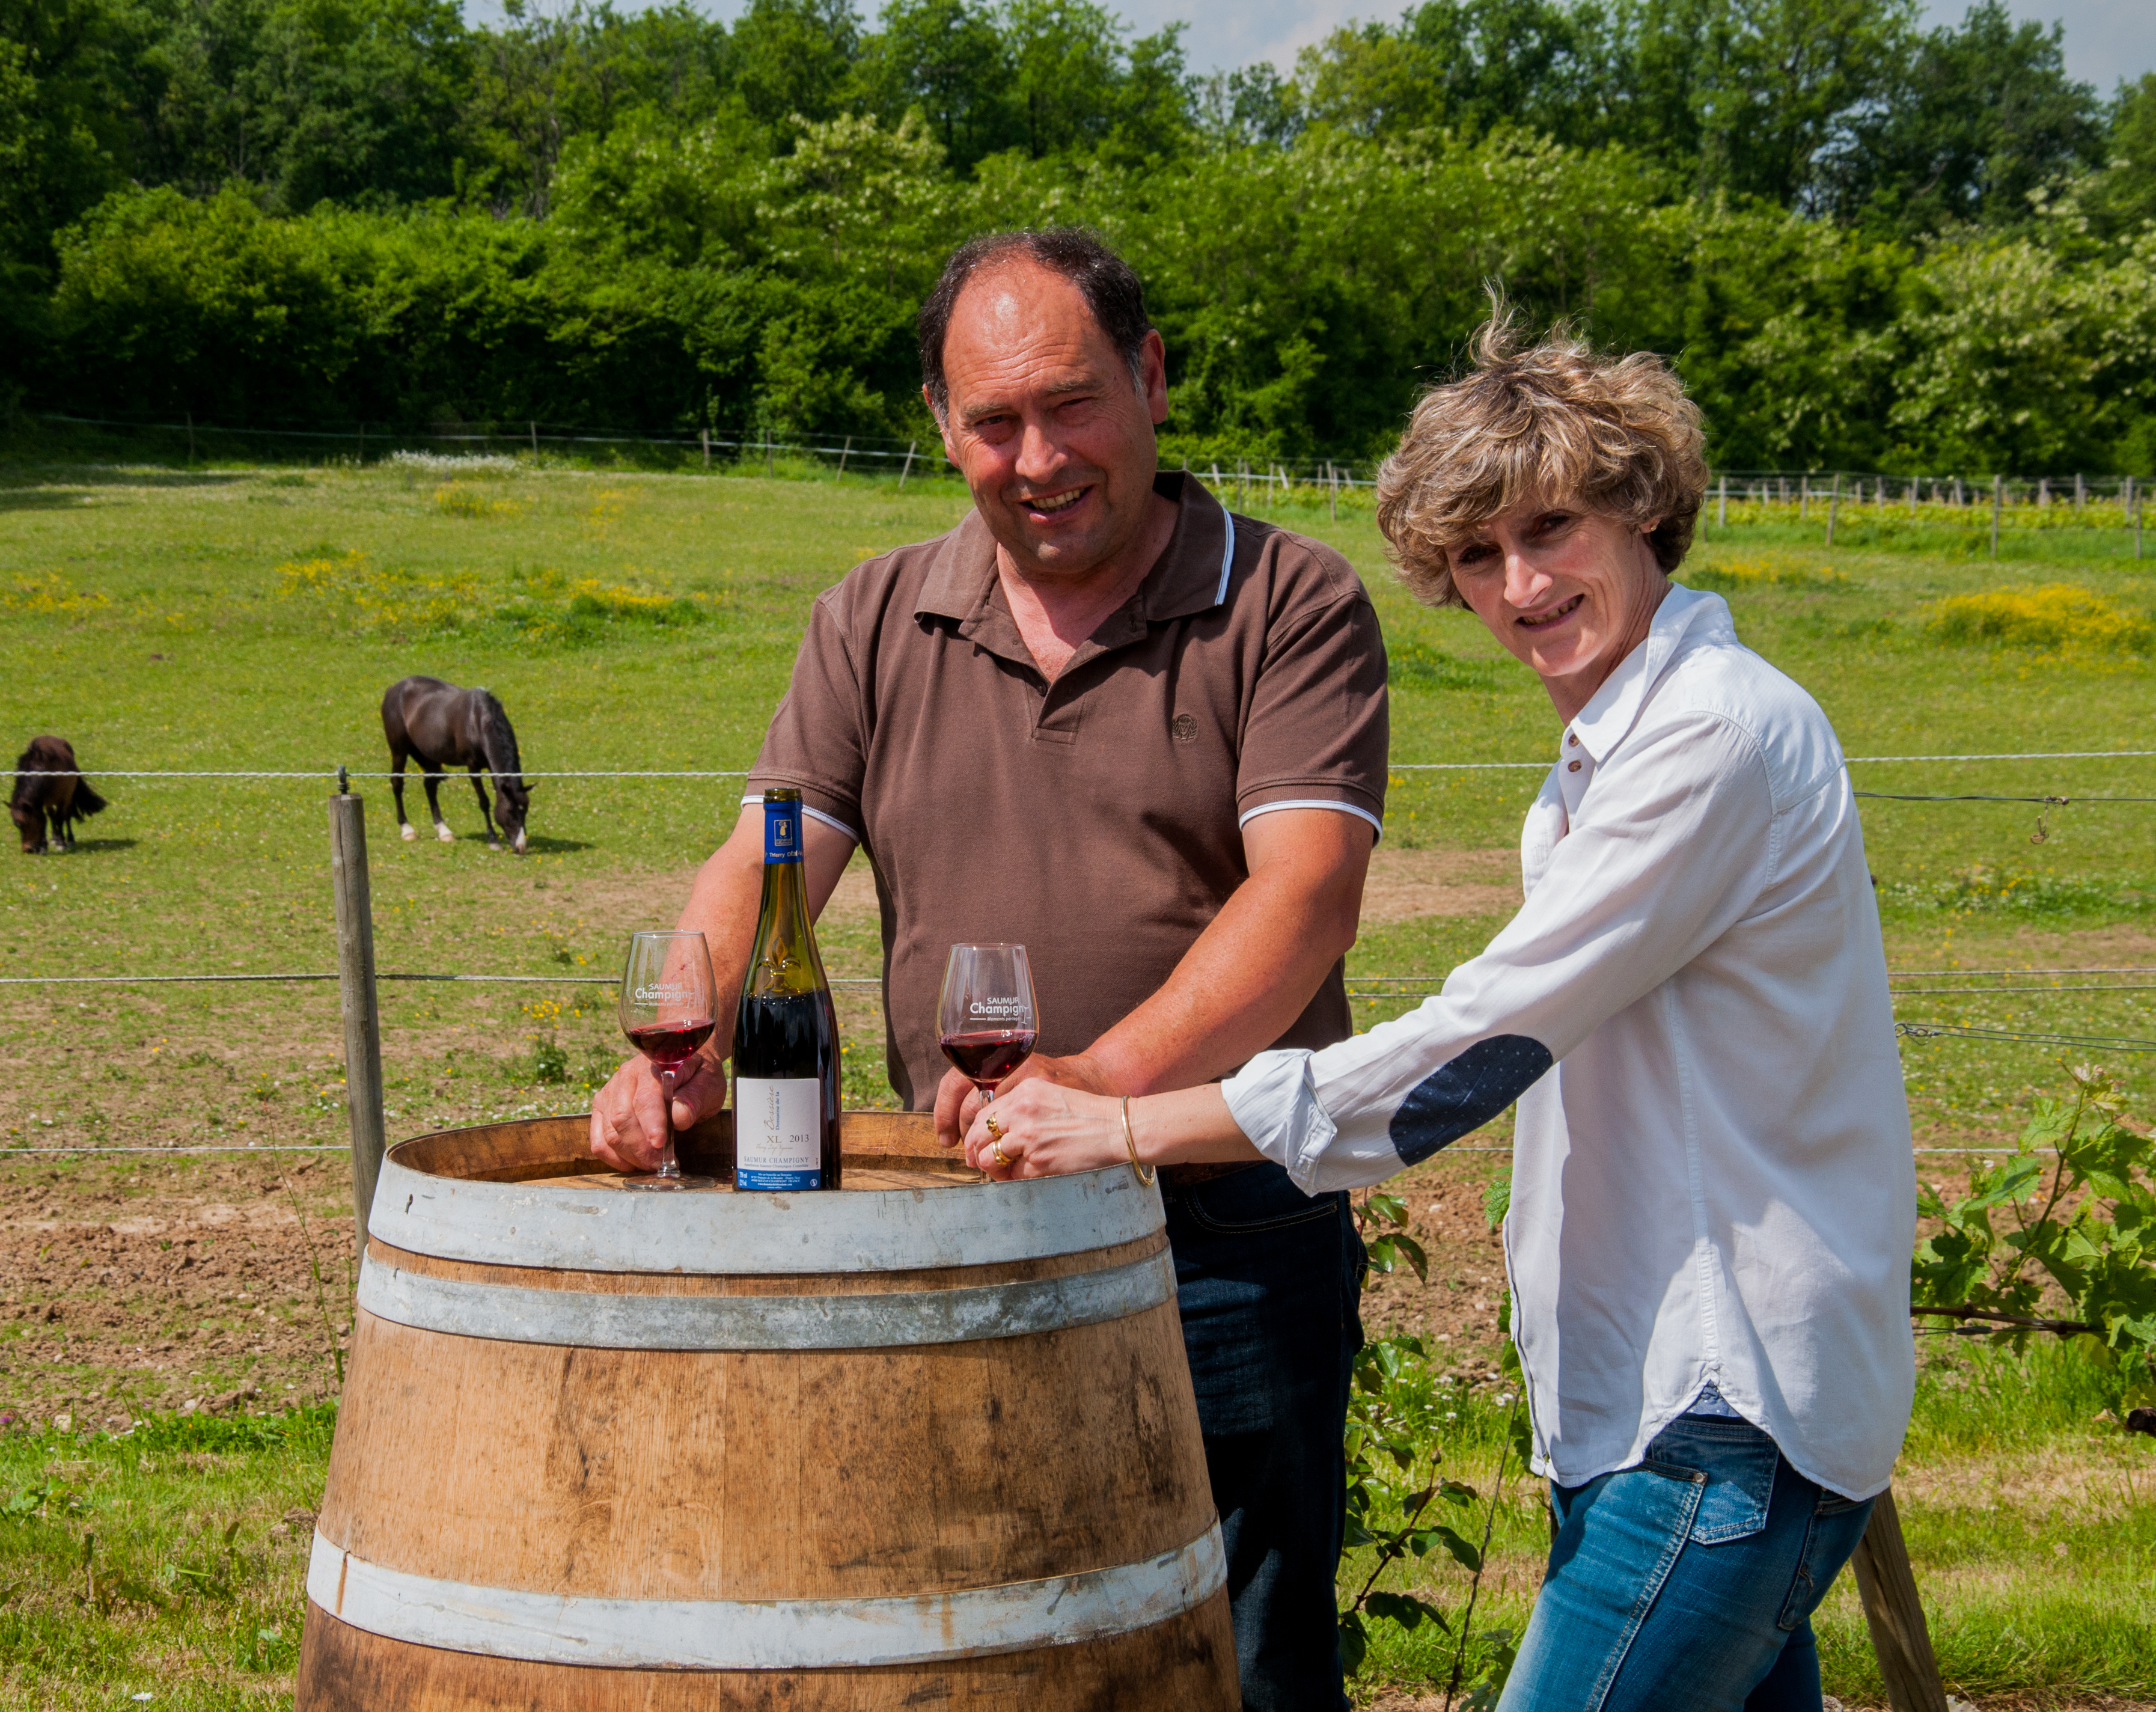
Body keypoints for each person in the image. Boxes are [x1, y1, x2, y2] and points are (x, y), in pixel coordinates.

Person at [971, 317, 1917, 1711]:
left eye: (1552, 526)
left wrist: (1128, 1123)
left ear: (1646, 508)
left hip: (1718, 1410)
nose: (1521, 584)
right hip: (1680, 1397)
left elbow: (1479, 1044)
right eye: (1478, 555)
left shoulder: (1711, 734)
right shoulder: (1625, 740)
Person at [588, 228, 1391, 1711]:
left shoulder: (1288, 601)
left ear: (1149, 380)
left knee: (1246, 1662)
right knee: (981, 1655)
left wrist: (1101, 1079)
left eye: (1072, 402)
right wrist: (683, 1032)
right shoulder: (879, 613)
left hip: (1220, 1231)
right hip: (958, 1227)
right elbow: (768, 857)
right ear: (939, 426)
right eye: (993, 421)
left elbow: (1308, 898)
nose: (1039, 456)